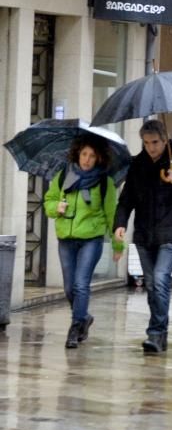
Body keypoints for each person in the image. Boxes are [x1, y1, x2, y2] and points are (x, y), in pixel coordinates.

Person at [113, 120, 172, 353]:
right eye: (146, 143)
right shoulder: (137, 165)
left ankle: (155, 333)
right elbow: (126, 199)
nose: (151, 147)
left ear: (165, 138)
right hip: (144, 234)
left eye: (155, 142)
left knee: (159, 279)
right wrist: (120, 224)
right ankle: (161, 332)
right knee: (151, 284)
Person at [43, 137, 119, 349]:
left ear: (99, 158)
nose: (87, 160)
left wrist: (117, 245)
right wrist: (55, 207)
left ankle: (75, 327)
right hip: (66, 238)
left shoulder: (105, 183)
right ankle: (84, 317)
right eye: (84, 154)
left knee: (80, 284)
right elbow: (48, 201)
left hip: (91, 239)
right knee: (69, 288)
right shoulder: (62, 177)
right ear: (77, 154)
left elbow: (112, 215)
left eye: (92, 156)